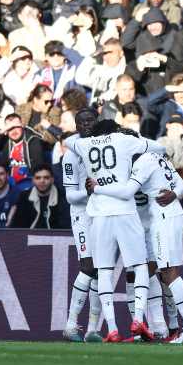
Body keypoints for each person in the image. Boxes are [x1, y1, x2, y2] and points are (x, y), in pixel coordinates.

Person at [65, 120, 166, 342]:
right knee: (139, 266)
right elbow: (160, 148)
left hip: (99, 215)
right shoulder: (124, 140)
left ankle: (111, 328)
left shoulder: (84, 144)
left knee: (104, 271)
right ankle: (138, 319)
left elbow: (66, 140)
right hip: (125, 212)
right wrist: (137, 142)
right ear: (114, 130)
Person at [88, 150, 183, 343]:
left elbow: (127, 192)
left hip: (163, 217)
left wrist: (97, 188)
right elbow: (181, 183)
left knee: (168, 272)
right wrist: (175, 193)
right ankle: (160, 327)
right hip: (170, 214)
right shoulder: (156, 156)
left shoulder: (141, 163)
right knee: (152, 270)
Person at [61, 109, 102, 343]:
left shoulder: (102, 147)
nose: (87, 124)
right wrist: (89, 192)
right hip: (82, 215)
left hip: (103, 214)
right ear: (76, 125)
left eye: (91, 120)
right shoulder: (71, 155)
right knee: (88, 266)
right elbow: (69, 196)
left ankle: (92, 329)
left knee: (101, 268)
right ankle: (70, 324)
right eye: (82, 122)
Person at [10, 164, 70, 229]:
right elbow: (18, 227)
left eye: (46, 178)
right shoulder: (24, 197)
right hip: (30, 237)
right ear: (33, 180)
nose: (42, 181)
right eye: (38, 178)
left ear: (52, 180)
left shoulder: (62, 198)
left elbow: (65, 227)